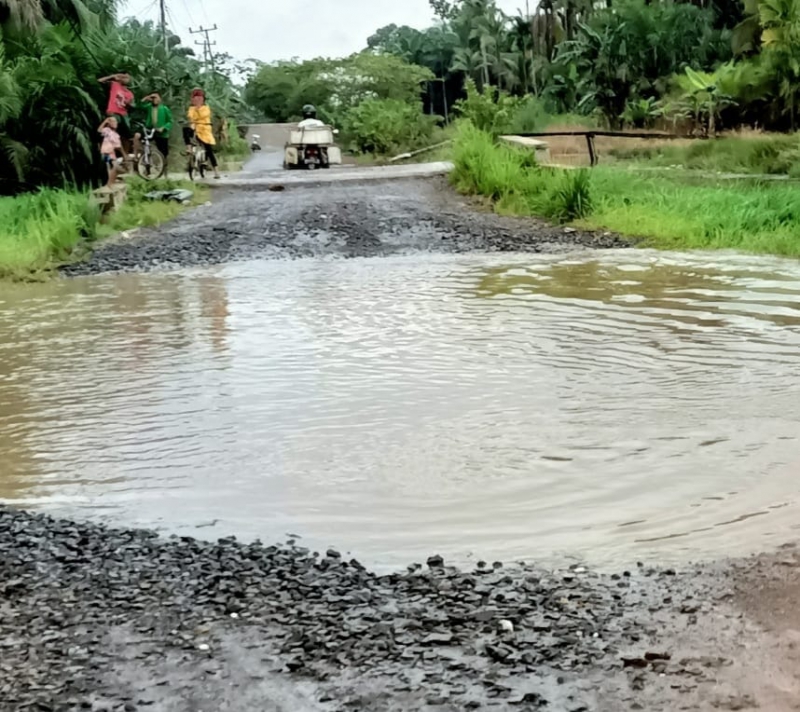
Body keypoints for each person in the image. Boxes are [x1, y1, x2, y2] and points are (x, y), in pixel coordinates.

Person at [183, 88, 220, 179]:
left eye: (199, 98)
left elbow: (203, 115)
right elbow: (190, 116)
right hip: (195, 128)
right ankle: (189, 148)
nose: (197, 100)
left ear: (203, 99)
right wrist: (193, 120)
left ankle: (216, 171)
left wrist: (198, 109)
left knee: (209, 150)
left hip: (205, 130)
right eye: (195, 98)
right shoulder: (191, 108)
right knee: (185, 130)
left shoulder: (206, 108)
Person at [98, 72, 134, 163]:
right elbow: (99, 81)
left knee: (128, 135)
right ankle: (123, 155)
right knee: (114, 133)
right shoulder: (114, 85)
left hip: (123, 114)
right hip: (113, 111)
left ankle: (125, 156)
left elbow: (132, 106)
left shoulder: (130, 94)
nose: (125, 79)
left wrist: (129, 105)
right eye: (123, 77)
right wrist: (112, 76)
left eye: (127, 77)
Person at [138, 92, 173, 175]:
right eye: (153, 98)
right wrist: (146, 98)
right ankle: (146, 166)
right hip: (150, 130)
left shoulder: (164, 108)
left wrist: (163, 128)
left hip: (161, 132)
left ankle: (164, 171)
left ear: (160, 99)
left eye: (156, 97)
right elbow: (139, 106)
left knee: (164, 152)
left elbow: (170, 121)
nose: (154, 99)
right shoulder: (149, 107)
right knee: (145, 145)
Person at [98, 116, 123, 188]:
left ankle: (111, 182)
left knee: (114, 167)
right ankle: (109, 183)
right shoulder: (107, 130)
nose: (116, 123)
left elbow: (118, 146)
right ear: (110, 123)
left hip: (112, 153)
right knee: (110, 167)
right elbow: (99, 130)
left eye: (116, 122)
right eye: (113, 121)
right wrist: (105, 121)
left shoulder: (116, 134)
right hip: (106, 152)